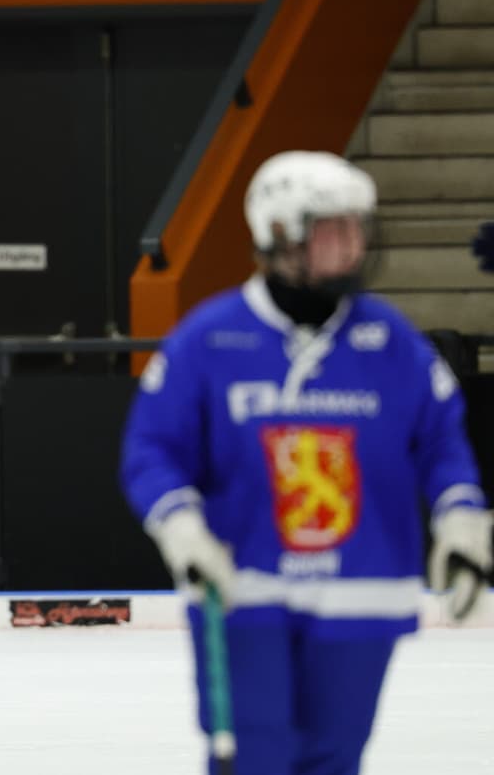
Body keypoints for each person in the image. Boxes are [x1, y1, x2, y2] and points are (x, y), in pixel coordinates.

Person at [120, 149, 494, 774]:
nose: (353, 244)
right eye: (333, 228)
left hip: (364, 591)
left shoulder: (393, 340)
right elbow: (151, 448)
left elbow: (441, 441)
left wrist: (461, 520)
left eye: (358, 226)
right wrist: (181, 528)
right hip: (247, 588)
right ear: (278, 235)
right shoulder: (208, 339)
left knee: (333, 760)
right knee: (256, 755)